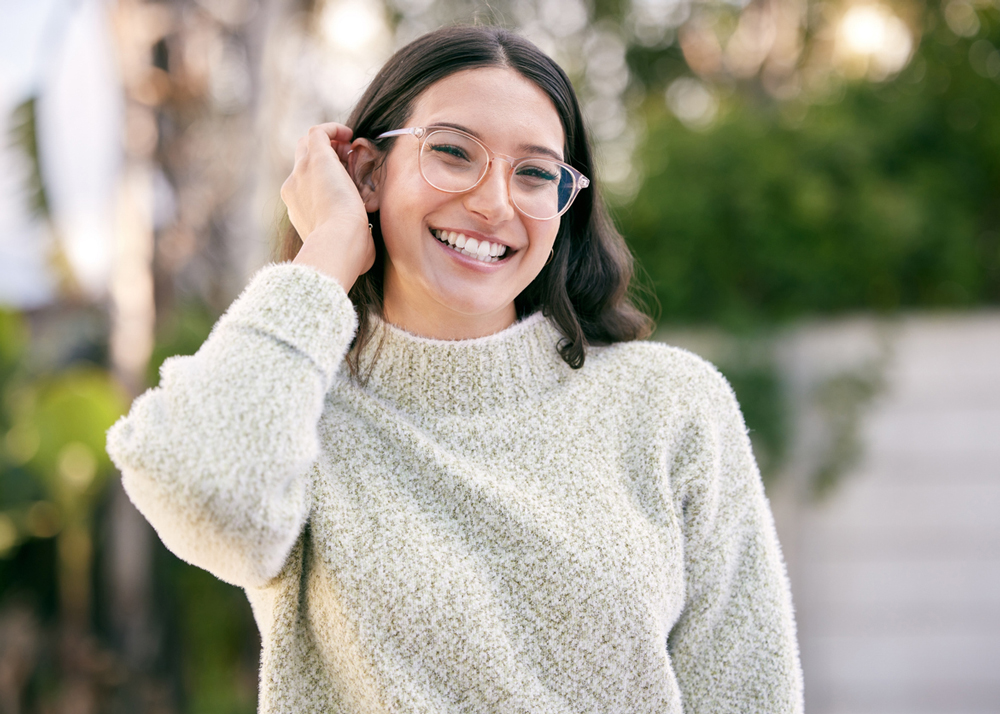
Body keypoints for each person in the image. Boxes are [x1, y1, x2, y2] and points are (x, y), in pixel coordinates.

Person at [107, 25, 803, 714]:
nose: (495, 203)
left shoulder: (669, 405)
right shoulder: (296, 409)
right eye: (452, 152)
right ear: (369, 174)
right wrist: (329, 248)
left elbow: (748, 693)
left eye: (535, 173)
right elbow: (204, 493)